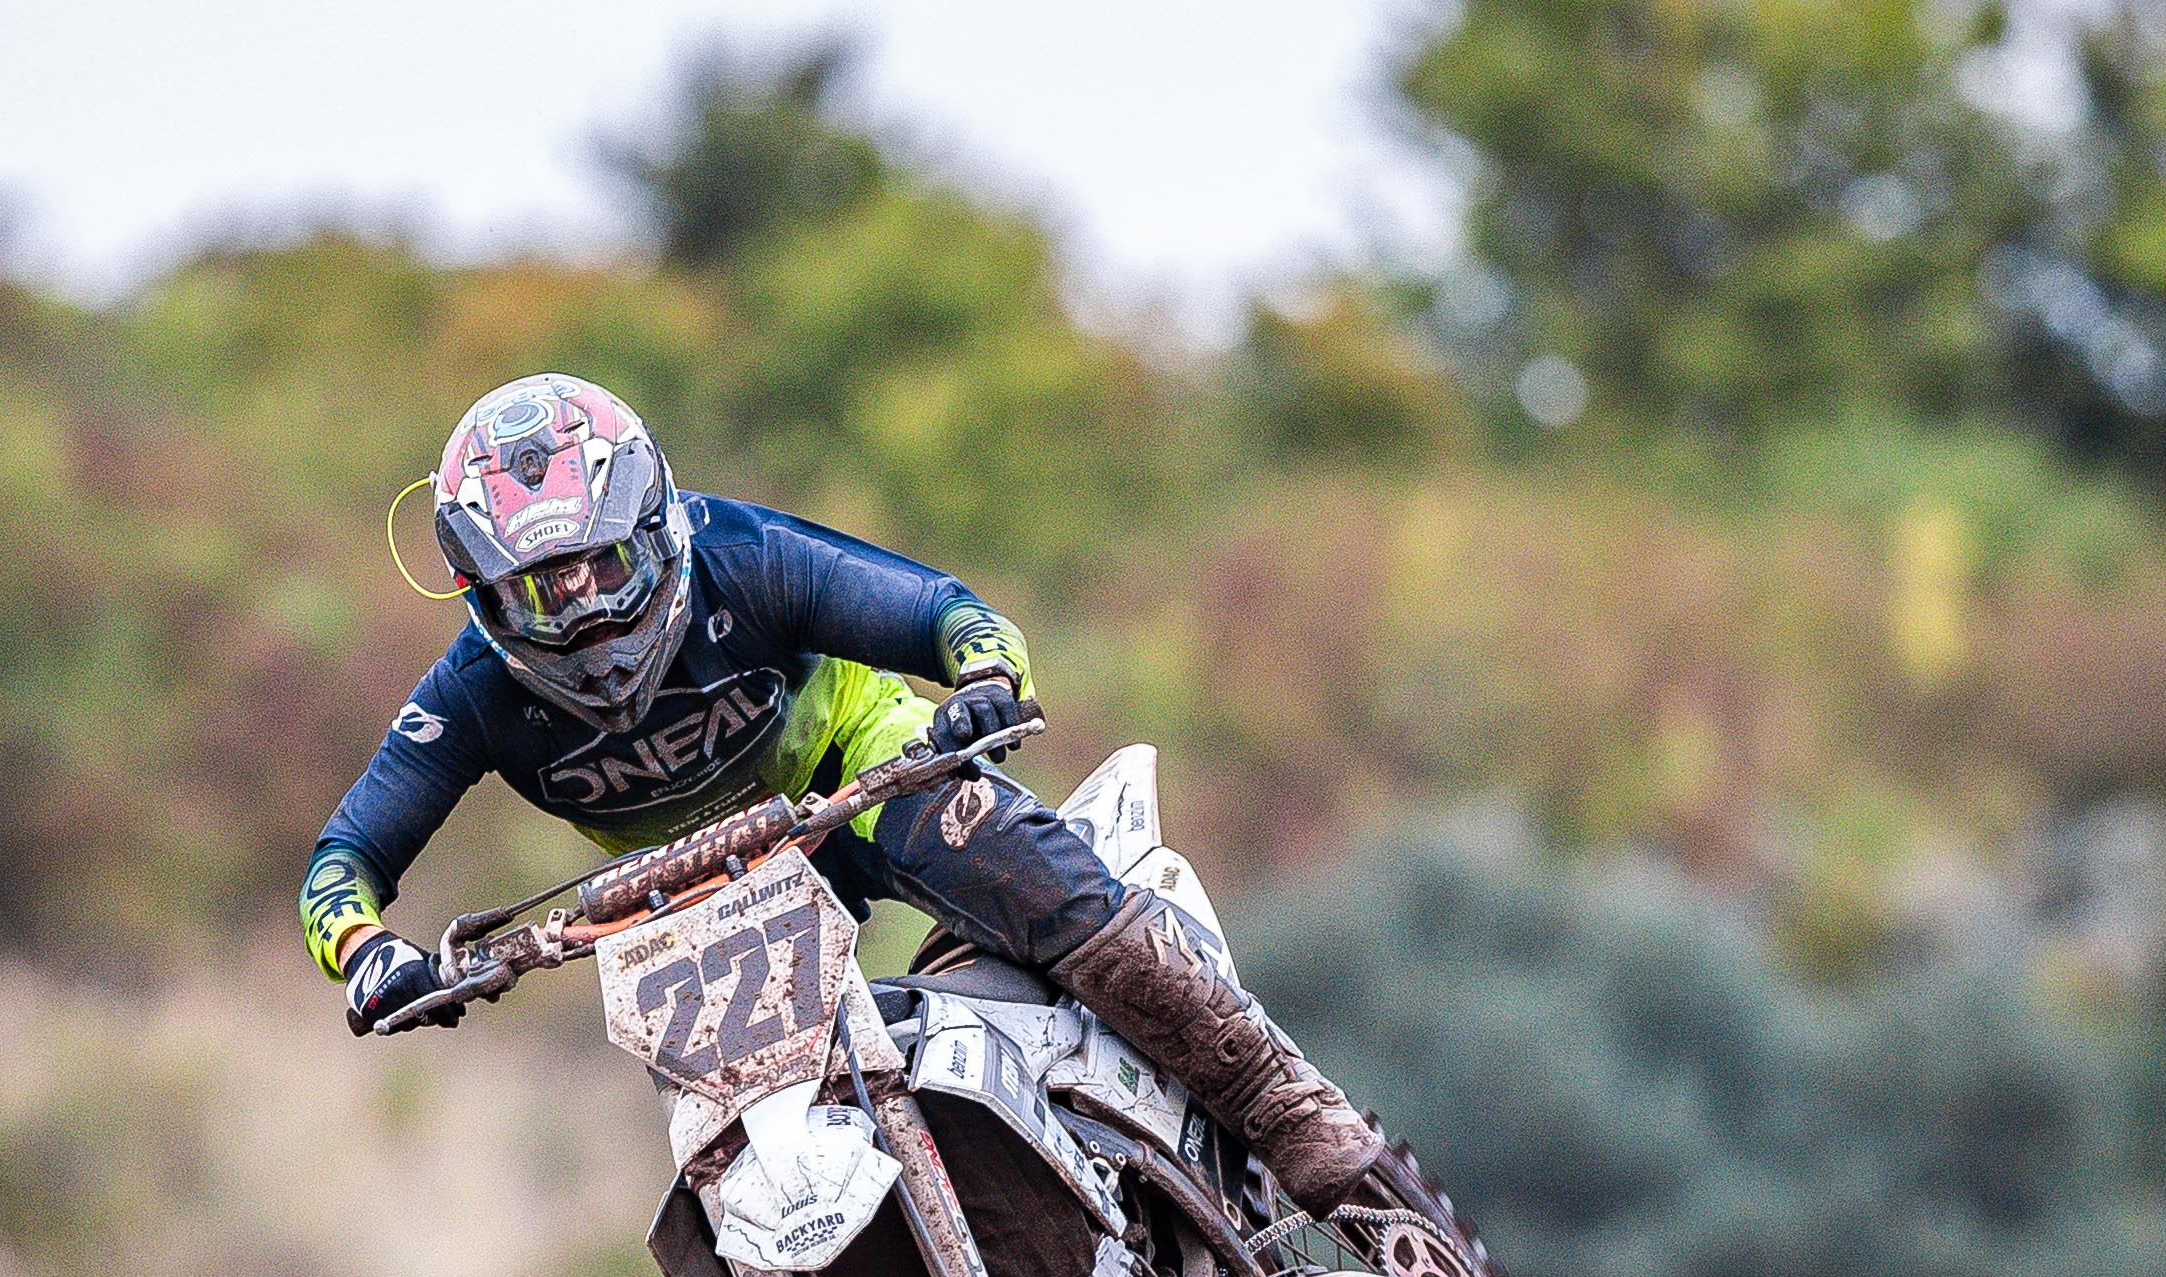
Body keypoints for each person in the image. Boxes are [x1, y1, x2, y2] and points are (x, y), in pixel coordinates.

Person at [300, 373, 1384, 1215]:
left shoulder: (746, 556)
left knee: (986, 843)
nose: (585, 614)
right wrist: (367, 954)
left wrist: (984, 680)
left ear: (655, 527)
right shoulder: (470, 693)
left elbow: (945, 613)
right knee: (725, 1141)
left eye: (605, 567)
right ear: (484, 598)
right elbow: (342, 863)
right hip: (689, 903)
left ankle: (1276, 1099)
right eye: (542, 590)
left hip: (857, 779)